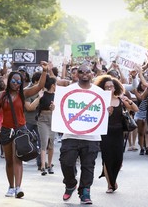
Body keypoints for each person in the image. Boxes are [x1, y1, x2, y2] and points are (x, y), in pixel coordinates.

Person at [0, 62, 48, 198]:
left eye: (19, 81)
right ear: (9, 82)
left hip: (20, 130)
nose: (16, 83)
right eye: (14, 81)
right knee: (9, 161)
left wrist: (44, 71)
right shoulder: (0, 96)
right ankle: (11, 187)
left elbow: (39, 86)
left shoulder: (23, 93)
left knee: (17, 159)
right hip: (6, 130)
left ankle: (19, 188)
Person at [60, 64, 104, 204]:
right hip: (70, 136)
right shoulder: (68, 90)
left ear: (92, 74)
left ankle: (85, 192)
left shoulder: (99, 92)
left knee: (88, 166)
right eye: (81, 72)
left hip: (92, 137)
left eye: (87, 71)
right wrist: (54, 107)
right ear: (76, 74)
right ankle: (70, 183)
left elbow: (103, 111)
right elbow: (60, 108)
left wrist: (107, 111)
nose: (84, 74)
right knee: (66, 163)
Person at [94, 75, 138, 193]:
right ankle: (110, 184)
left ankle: (113, 179)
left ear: (115, 87)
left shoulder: (120, 100)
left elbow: (136, 109)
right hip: (105, 133)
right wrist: (106, 113)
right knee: (107, 158)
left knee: (118, 159)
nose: (109, 89)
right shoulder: (99, 101)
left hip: (118, 133)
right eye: (106, 87)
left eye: (111, 86)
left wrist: (128, 101)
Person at [37, 75, 56, 176]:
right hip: (43, 119)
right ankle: (43, 166)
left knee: (51, 144)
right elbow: (36, 107)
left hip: (53, 119)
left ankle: (49, 165)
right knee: (44, 142)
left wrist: (54, 108)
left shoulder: (57, 96)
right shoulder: (42, 94)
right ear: (53, 85)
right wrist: (39, 98)